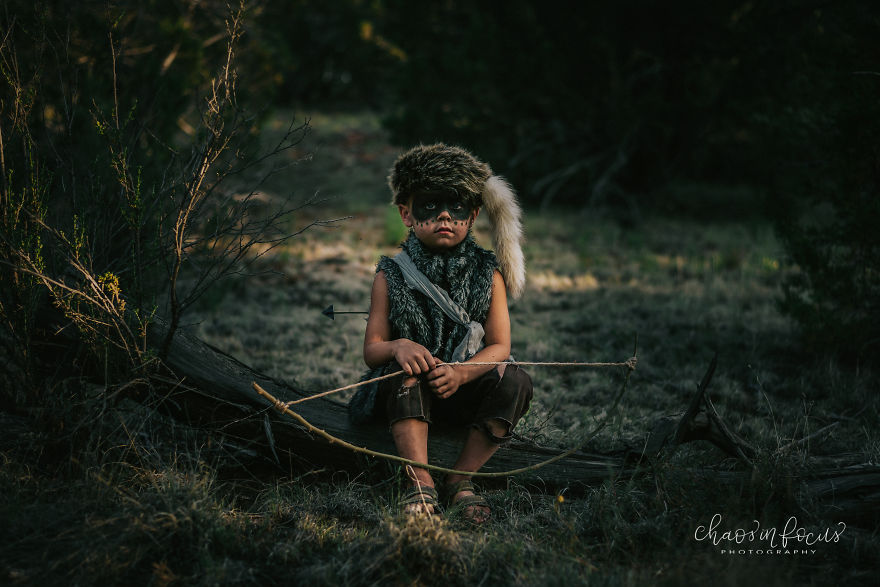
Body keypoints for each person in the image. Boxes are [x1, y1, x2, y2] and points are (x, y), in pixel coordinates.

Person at [362, 143, 533, 523]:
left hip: (464, 391)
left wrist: (461, 372)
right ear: (406, 213)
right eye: (430, 205)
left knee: (516, 382)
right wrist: (399, 346)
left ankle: (460, 480)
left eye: (456, 206)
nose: (444, 215)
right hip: (405, 394)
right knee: (407, 374)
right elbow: (372, 351)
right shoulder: (389, 275)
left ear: (473, 216)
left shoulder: (488, 273)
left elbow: (500, 345)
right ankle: (419, 481)